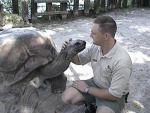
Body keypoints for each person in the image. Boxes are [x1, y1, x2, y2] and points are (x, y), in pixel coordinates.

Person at [62, 16, 132, 113]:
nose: (90, 35)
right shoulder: (95, 47)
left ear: (106, 36)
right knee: (67, 97)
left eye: (94, 33)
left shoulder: (122, 61)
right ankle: (93, 104)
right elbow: (78, 60)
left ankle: (113, 108)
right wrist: (70, 50)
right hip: (96, 84)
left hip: (113, 95)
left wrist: (87, 89)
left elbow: (114, 95)